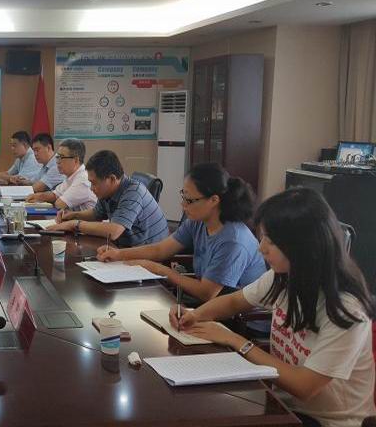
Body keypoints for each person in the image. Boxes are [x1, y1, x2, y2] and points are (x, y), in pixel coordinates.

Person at [172, 188, 376, 427]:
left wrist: (236, 341)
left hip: (327, 421)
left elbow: (304, 387)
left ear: (303, 246)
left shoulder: (346, 310)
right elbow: (234, 301)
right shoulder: (284, 277)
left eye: (270, 240)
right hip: (281, 405)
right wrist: (194, 315)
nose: (261, 248)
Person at [98, 162, 266, 303]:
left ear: (214, 200)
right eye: (183, 196)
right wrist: (118, 254)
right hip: (211, 305)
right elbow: (160, 249)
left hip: (241, 320)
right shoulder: (198, 221)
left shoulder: (233, 240)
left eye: (189, 200)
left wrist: (159, 269)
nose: (183, 205)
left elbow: (207, 293)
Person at [47, 150, 168, 247]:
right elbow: (96, 214)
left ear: (112, 179)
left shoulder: (133, 192)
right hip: (126, 247)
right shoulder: (108, 192)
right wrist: (73, 215)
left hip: (149, 254)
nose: (91, 188)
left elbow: (113, 231)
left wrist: (75, 224)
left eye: (94, 183)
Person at [25, 138, 97, 211]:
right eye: (57, 157)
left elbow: (60, 204)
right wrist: (39, 196)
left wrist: (46, 199)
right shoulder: (71, 176)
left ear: (75, 160)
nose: (57, 162)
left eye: (61, 157)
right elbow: (55, 195)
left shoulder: (83, 180)